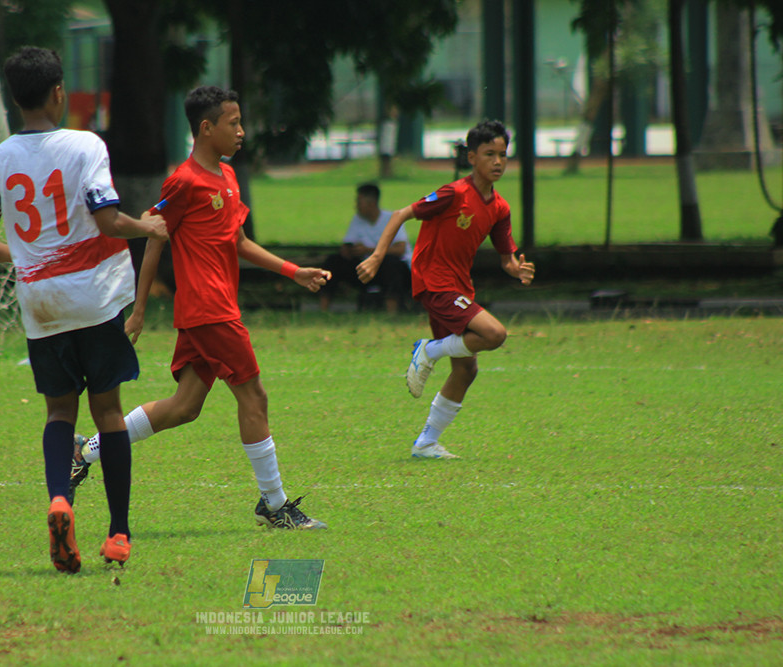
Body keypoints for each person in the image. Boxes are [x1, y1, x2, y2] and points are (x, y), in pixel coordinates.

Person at [71, 85, 330, 530]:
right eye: (234, 123)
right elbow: (156, 234)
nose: (242, 131)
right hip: (210, 310)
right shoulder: (184, 180)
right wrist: (138, 309)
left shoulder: (228, 179)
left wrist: (294, 271)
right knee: (255, 395)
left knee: (185, 405)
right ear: (206, 128)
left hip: (212, 310)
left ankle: (85, 451)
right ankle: (274, 503)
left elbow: (239, 241)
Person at [0, 46, 167, 572]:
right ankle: (119, 533)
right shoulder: (85, 145)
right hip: (94, 298)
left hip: (41, 304)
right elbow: (107, 220)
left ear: (15, 97)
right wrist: (147, 226)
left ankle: (60, 498)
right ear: (59, 92)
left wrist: (35, 259)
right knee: (107, 413)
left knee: (60, 412)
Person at [356, 119, 535, 460]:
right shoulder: (454, 193)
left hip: (458, 285)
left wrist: (517, 269)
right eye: (489, 154)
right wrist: (377, 256)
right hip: (434, 281)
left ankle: (425, 443)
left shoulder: (499, 208)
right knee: (495, 334)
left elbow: (505, 257)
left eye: (502, 155)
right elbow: (400, 214)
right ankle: (429, 350)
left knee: (466, 368)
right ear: (471, 157)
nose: (497, 162)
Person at [319, 183, 411, 315]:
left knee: (391, 263)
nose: (356, 206)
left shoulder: (392, 218)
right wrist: (348, 250)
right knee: (333, 261)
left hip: (388, 267)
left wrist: (369, 250)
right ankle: (324, 308)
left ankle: (392, 311)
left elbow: (400, 249)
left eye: (359, 202)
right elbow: (348, 242)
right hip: (365, 267)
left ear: (371, 203)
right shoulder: (358, 220)